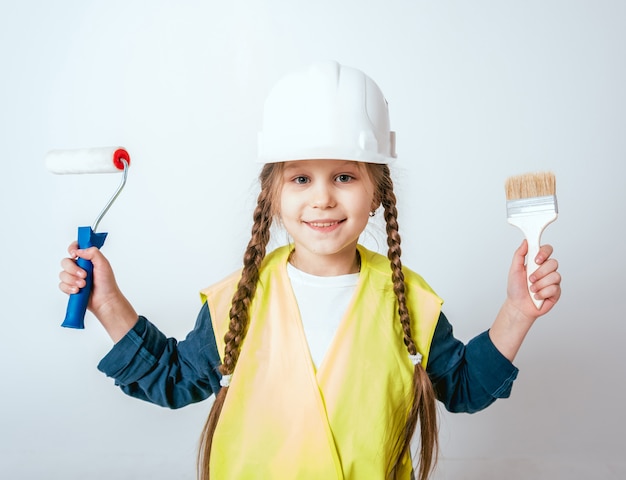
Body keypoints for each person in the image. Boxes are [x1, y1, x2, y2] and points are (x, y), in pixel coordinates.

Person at [57, 61, 561, 480]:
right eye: (301, 178)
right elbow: (172, 378)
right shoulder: (239, 299)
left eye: (344, 176)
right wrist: (107, 304)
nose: (322, 197)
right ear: (273, 195)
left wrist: (517, 313)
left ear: (378, 193)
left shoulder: (408, 298)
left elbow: (465, 387)